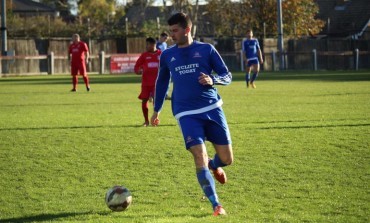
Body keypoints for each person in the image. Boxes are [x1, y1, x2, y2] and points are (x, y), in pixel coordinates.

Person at [150, 12, 233, 216]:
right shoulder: (167, 55)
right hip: (185, 112)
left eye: (175, 31)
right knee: (199, 155)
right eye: (170, 31)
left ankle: (214, 165)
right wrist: (157, 110)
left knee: (227, 159)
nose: (171, 35)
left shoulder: (206, 49)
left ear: (187, 29)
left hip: (212, 108)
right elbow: (161, 83)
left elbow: (227, 75)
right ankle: (216, 205)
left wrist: (214, 80)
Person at [134, 37, 161, 127]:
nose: (146, 46)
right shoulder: (144, 55)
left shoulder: (161, 54)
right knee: (144, 100)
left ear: (153, 44)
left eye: (148, 44)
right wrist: (138, 71)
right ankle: (146, 121)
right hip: (145, 83)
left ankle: (155, 119)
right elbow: (136, 66)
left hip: (157, 83)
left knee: (155, 102)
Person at [156, 32, 172, 100]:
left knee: (168, 79)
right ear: (161, 37)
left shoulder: (165, 44)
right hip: (159, 65)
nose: (166, 40)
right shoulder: (156, 45)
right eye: (165, 38)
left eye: (167, 38)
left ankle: (165, 94)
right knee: (159, 80)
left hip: (166, 63)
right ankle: (157, 94)